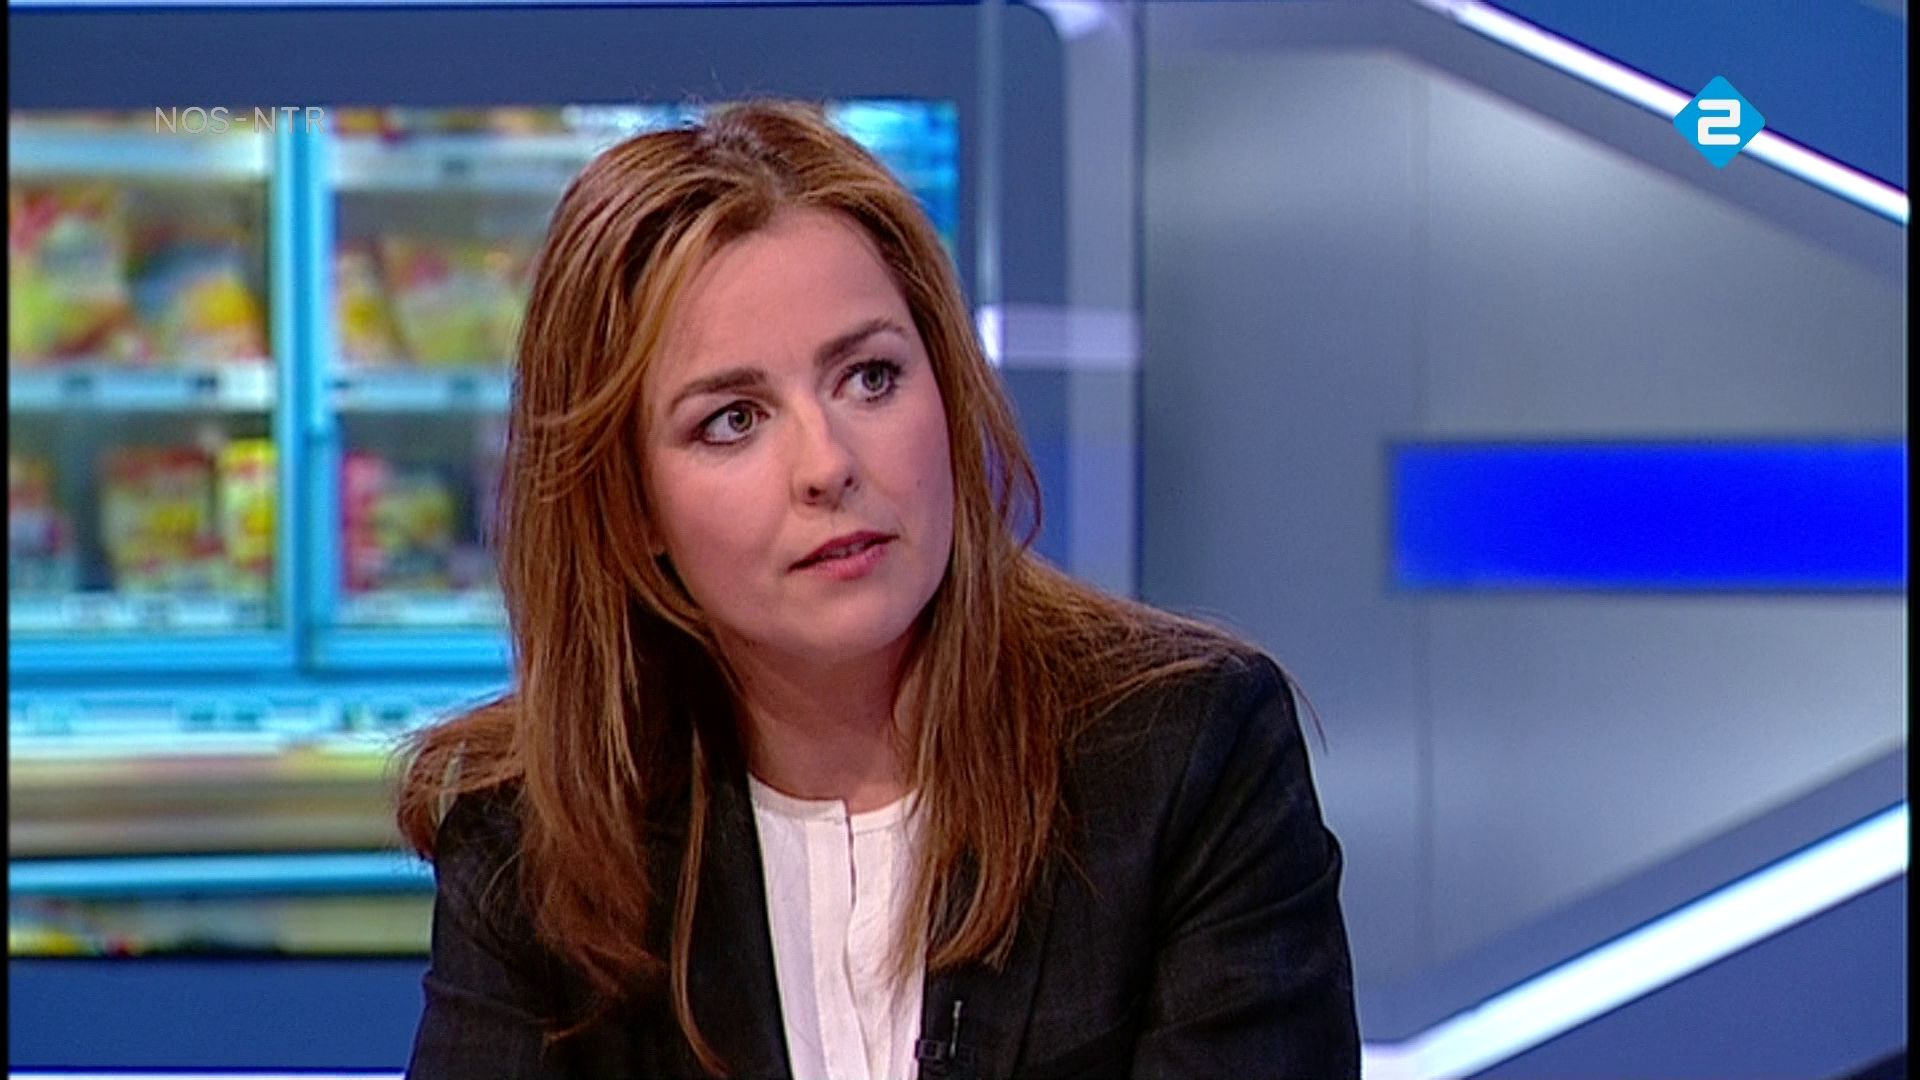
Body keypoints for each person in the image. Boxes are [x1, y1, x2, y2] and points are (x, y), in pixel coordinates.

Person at [396, 98, 1358, 1079]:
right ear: (630, 504)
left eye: (869, 377)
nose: (828, 465)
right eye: (733, 419)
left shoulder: (1182, 755)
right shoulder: (529, 841)